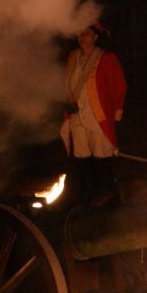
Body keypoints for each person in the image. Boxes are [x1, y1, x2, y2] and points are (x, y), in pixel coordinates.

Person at [60, 21, 127, 204]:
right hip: (76, 116)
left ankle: (107, 194)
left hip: (98, 116)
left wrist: (118, 109)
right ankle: (86, 193)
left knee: (102, 156)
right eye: (81, 34)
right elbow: (67, 85)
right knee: (81, 157)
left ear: (96, 37)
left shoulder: (106, 58)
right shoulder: (73, 57)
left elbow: (118, 86)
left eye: (87, 34)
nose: (83, 38)